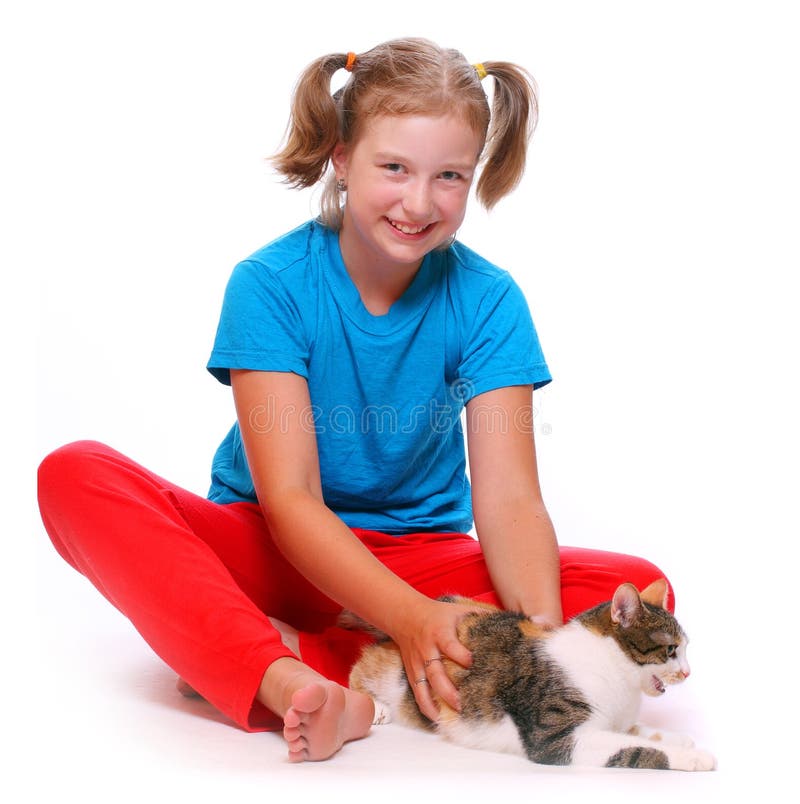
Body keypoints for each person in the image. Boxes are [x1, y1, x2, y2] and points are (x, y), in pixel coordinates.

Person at [37, 38, 673, 763]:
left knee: (643, 593)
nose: (419, 201)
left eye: (449, 176)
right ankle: (283, 679)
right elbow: (292, 498)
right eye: (394, 168)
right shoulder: (270, 285)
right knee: (76, 474)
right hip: (277, 550)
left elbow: (511, 502)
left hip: (421, 561)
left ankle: (289, 648)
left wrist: (539, 641)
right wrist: (408, 618)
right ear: (342, 156)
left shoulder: (491, 300)